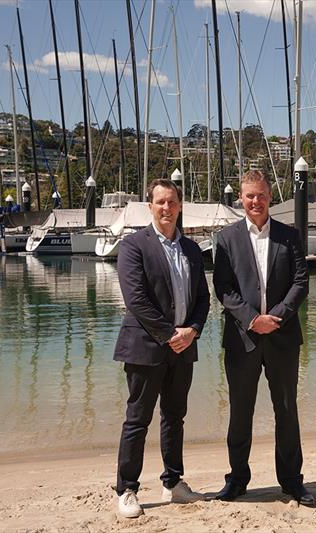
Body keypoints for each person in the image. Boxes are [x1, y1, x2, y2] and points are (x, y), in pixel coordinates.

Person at [212, 170, 315, 507]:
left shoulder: (289, 235)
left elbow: (301, 281)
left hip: (283, 337)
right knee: (241, 411)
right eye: (249, 196)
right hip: (243, 338)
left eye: (260, 195)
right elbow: (223, 288)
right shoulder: (226, 238)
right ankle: (237, 480)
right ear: (240, 199)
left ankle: (292, 482)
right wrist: (253, 319)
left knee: (287, 410)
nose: (255, 201)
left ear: (270, 196)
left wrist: (279, 317)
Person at [113, 178, 210, 518]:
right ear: (150, 206)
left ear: (180, 206)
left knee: (174, 418)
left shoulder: (193, 250)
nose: (166, 208)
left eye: (172, 202)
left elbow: (203, 298)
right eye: (160, 203)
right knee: (137, 420)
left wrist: (193, 330)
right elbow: (136, 299)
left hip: (184, 347)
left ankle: (173, 483)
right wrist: (171, 334)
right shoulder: (134, 246)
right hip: (146, 346)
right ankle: (126, 489)